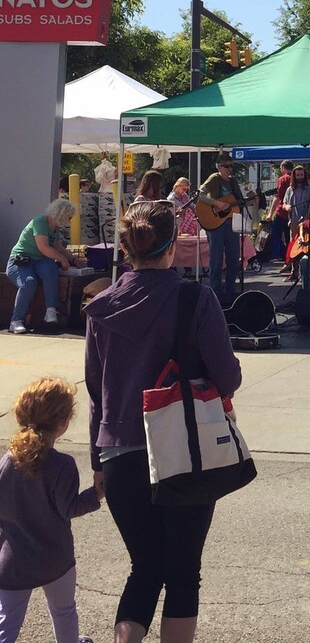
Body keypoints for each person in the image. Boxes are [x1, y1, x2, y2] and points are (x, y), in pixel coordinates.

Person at [86, 199, 242, 642]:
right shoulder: (195, 298)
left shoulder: (101, 308)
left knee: (145, 568)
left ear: (124, 248)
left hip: (118, 453)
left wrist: (98, 461)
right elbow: (226, 377)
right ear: (173, 246)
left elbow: (97, 392)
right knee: (182, 573)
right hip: (183, 449)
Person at [0, 377, 101, 643]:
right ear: (63, 422)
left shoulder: (7, 461)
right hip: (55, 558)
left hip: (13, 561)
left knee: (7, 619)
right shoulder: (63, 465)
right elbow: (69, 508)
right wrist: (97, 494)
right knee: (64, 611)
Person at [6, 199, 81, 334]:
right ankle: (16, 320)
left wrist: (74, 260)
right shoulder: (40, 222)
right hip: (20, 260)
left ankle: (51, 310)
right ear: (62, 213)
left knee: (51, 268)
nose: (69, 220)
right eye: (69, 217)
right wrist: (63, 260)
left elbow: (58, 248)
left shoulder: (55, 227)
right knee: (28, 283)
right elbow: (44, 248)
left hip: (39, 261)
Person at [198, 154, 246, 302]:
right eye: (226, 166)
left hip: (231, 224)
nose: (229, 169)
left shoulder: (233, 182)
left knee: (233, 259)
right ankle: (215, 294)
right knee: (216, 260)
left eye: (231, 165)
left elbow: (237, 204)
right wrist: (217, 204)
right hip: (216, 224)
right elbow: (200, 194)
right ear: (218, 167)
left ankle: (230, 293)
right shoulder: (215, 178)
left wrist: (251, 200)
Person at [279, 165, 310, 276]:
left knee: (306, 246)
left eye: (301, 175)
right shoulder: (290, 189)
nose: (300, 177)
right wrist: (287, 207)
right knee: (294, 246)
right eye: (298, 175)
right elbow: (284, 204)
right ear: (294, 176)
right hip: (294, 221)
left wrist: (306, 219)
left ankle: (305, 272)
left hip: (306, 222)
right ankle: (294, 272)